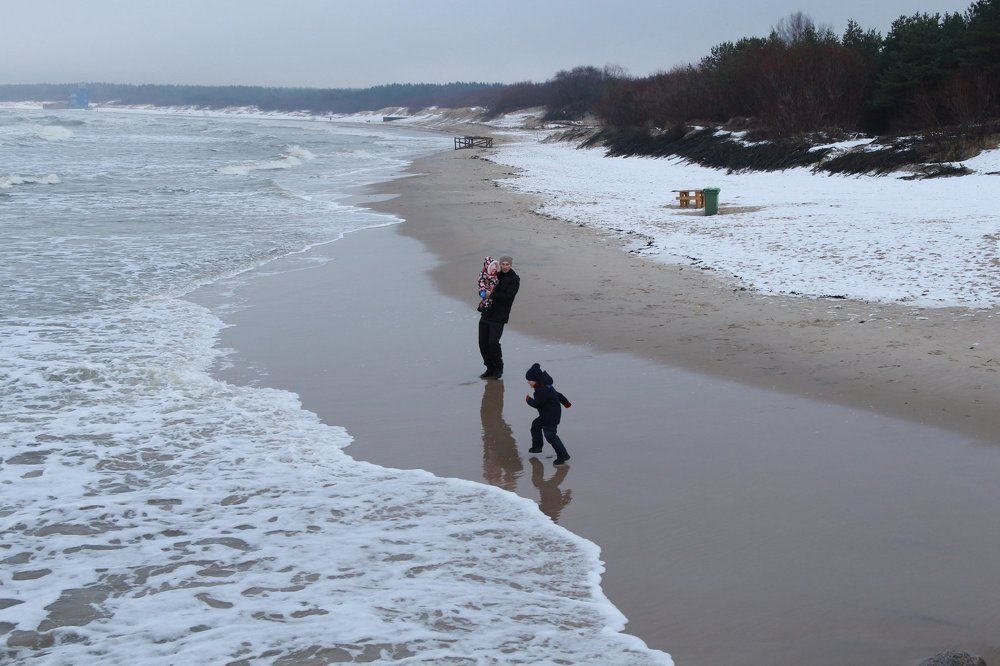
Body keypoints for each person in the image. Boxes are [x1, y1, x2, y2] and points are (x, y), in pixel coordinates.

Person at [478, 255, 519, 380]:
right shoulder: (495, 275)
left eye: (507, 264)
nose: (505, 266)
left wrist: (491, 294)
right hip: (487, 313)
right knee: (482, 343)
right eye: (503, 264)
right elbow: (484, 283)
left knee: (493, 343)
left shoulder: (514, 279)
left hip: (499, 316)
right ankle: (489, 368)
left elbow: (508, 297)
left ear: (510, 265)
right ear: (499, 264)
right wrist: (483, 291)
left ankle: (498, 368)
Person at [524, 362, 571, 465]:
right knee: (535, 425)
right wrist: (566, 403)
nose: (528, 382)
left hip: (550, 417)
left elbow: (537, 404)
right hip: (547, 414)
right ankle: (537, 447)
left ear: (536, 380)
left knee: (550, 436)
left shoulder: (541, 390)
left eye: (529, 380)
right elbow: (558, 394)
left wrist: (528, 400)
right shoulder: (546, 386)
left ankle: (563, 456)